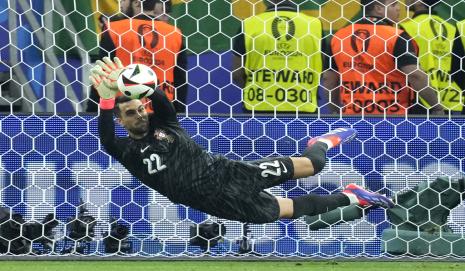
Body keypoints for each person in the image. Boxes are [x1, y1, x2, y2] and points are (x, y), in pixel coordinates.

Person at [89, 57, 394, 224]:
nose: (140, 114)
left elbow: (158, 96)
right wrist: (106, 100)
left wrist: (133, 82)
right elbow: (104, 135)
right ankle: (354, 195)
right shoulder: (125, 149)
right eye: (131, 113)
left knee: (313, 164)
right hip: (213, 201)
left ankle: (323, 142)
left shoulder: (166, 124)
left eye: (141, 108)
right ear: (121, 121)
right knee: (290, 210)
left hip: (229, 173)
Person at [322, 0, 443, 115]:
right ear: (378, 9)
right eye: (393, 4)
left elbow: (329, 79)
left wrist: (335, 110)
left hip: (353, 116)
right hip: (393, 117)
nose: (398, 8)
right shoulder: (397, 36)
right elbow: (415, 75)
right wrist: (436, 107)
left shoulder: (339, 36)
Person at [86, 0, 187, 113]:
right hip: (163, 113)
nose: (121, 4)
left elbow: (102, 77)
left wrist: (91, 114)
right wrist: (178, 118)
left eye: (124, 0)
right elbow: (181, 82)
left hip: (125, 114)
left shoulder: (114, 29)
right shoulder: (175, 34)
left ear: (137, 3)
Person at [232, 0, 326, 114]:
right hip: (302, 105)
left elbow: (237, 74)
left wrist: (258, 89)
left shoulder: (249, 24)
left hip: (258, 106)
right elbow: (322, 67)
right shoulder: (314, 25)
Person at [400, 0, 465, 114]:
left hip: (421, 99)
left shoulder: (407, 28)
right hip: (453, 99)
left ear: (419, 2)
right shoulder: (452, 28)